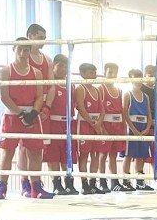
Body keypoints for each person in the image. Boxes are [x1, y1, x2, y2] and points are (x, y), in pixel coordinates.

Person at [0, 37, 53, 200]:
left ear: (30, 51)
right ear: (14, 49)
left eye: (26, 49)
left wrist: (33, 113)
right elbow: (4, 97)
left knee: (35, 152)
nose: (22, 53)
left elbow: (40, 96)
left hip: (32, 115)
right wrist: (21, 115)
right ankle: (1, 188)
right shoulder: (6, 71)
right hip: (12, 115)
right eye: (19, 49)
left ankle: (36, 188)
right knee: (7, 153)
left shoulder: (37, 73)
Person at [43, 54, 79, 195]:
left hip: (68, 123)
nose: (63, 69)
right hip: (53, 123)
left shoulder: (71, 85)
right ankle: (57, 185)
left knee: (67, 154)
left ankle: (69, 184)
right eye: (60, 66)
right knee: (53, 156)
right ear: (53, 66)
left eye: (66, 67)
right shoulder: (49, 84)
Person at [25, 24, 53, 197]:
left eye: (44, 38)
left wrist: (47, 106)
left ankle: (35, 185)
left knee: (36, 147)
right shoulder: (22, 57)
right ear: (30, 36)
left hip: (41, 106)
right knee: (23, 148)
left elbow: (51, 85)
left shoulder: (47, 60)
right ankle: (25, 184)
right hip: (25, 106)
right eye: (40, 37)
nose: (43, 41)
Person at [74, 62, 106, 194]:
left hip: (96, 123)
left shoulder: (97, 90)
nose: (93, 75)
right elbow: (81, 108)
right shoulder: (80, 89)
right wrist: (93, 123)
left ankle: (93, 183)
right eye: (90, 72)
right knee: (84, 154)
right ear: (82, 74)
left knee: (95, 154)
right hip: (84, 124)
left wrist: (99, 122)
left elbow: (102, 109)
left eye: (95, 72)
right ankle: (84, 184)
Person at [122, 68, 153, 191]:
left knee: (141, 154)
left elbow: (149, 114)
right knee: (129, 154)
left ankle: (140, 181)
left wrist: (147, 128)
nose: (138, 81)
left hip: (143, 126)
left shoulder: (145, 96)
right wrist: (133, 129)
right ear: (130, 79)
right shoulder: (127, 94)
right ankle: (126, 180)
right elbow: (125, 114)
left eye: (140, 79)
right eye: (136, 79)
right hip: (132, 126)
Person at [101, 62, 127, 192]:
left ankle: (114, 181)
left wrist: (123, 127)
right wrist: (101, 128)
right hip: (105, 124)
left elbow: (122, 111)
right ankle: (101, 181)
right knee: (103, 154)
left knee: (113, 155)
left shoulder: (119, 90)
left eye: (115, 72)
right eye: (110, 72)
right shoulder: (101, 89)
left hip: (117, 125)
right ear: (104, 72)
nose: (113, 75)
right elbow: (99, 110)